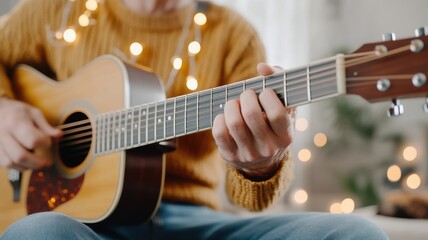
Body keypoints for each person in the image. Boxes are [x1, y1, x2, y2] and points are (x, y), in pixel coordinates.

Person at [0, 0, 389, 239]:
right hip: (80, 223)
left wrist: (260, 166)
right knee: (35, 233)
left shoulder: (233, 35)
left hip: (197, 224)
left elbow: (250, 201)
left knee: (354, 233)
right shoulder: (56, 9)